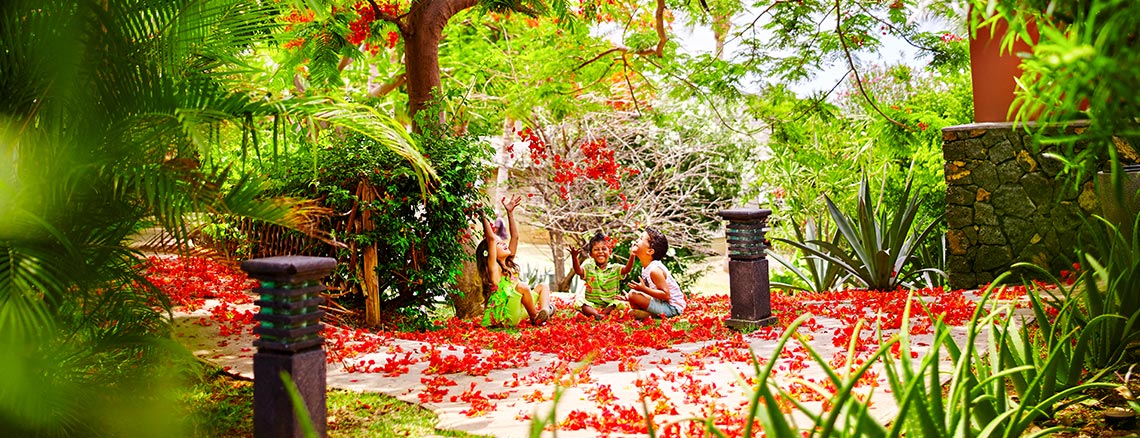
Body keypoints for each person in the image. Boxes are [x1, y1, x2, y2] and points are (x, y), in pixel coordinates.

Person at [475, 195, 555, 327]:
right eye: (499, 244)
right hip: (507, 316)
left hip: (520, 309)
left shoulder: (508, 264)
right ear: (491, 253)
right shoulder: (494, 269)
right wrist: (482, 214)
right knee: (522, 286)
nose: (504, 244)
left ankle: (545, 310)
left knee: (543, 287)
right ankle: (535, 317)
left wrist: (510, 213)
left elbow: (515, 237)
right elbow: (490, 239)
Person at [569, 232, 635, 320]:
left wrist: (632, 255)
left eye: (604, 249)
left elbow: (627, 269)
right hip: (592, 304)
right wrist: (574, 258)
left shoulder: (615, 268)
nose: (600, 252)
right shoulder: (588, 268)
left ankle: (601, 314)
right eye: (596, 249)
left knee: (620, 303)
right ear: (591, 255)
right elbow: (578, 271)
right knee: (579, 302)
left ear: (610, 252)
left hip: (610, 304)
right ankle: (597, 314)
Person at [624, 228, 685, 319]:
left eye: (641, 239)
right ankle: (648, 314)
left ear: (650, 251)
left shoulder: (654, 270)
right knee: (633, 294)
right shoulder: (646, 267)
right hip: (663, 303)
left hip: (673, 308)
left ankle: (651, 316)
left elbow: (666, 295)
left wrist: (644, 289)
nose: (636, 240)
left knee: (633, 294)